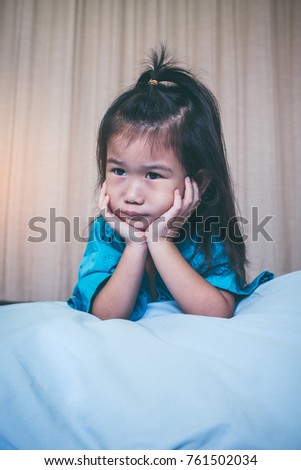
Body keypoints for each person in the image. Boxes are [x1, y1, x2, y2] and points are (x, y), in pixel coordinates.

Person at [67, 47, 273, 321]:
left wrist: (159, 241)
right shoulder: (107, 232)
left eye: (153, 175)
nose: (131, 195)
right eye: (118, 170)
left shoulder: (209, 233)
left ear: (197, 183)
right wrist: (136, 245)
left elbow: (217, 312)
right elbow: (106, 315)